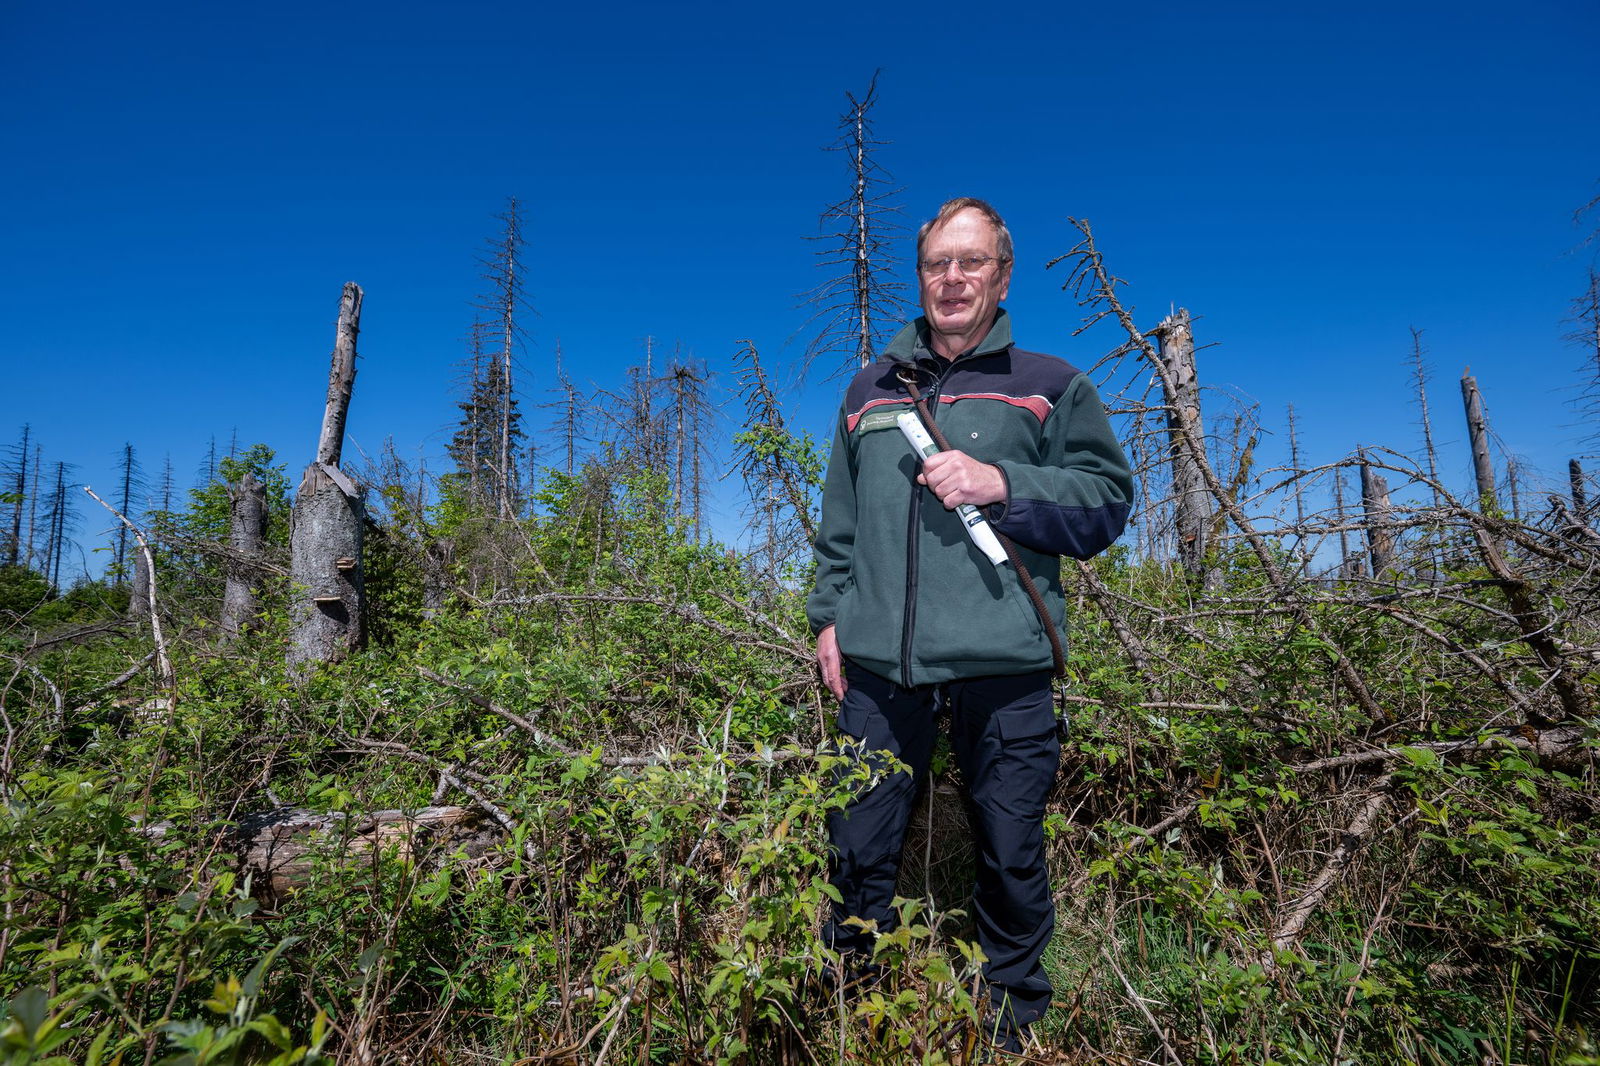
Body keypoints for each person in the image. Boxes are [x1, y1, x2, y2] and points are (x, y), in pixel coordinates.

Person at [806, 197, 1133, 1054]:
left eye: (972, 262)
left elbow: (1106, 504)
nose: (952, 279)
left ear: (1003, 276)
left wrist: (1003, 484)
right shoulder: (868, 390)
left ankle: (1010, 1022)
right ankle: (852, 1009)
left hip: (1006, 660)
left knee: (1010, 846)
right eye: (936, 264)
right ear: (920, 277)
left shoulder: (1050, 385)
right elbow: (840, 524)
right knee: (857, 841)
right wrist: (829, 619)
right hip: (881, 665)